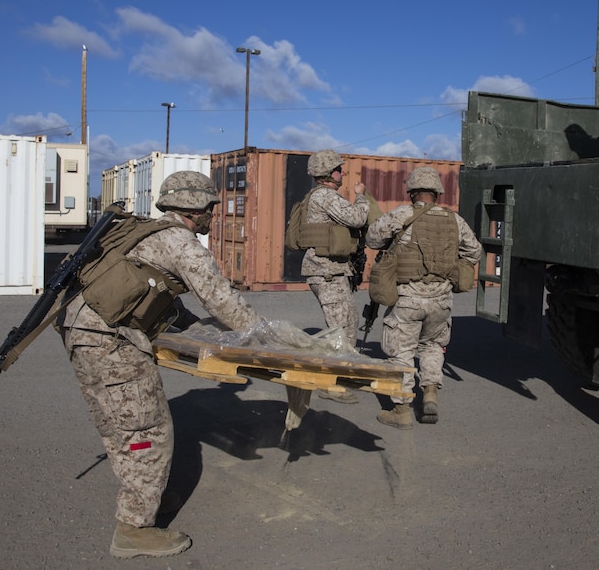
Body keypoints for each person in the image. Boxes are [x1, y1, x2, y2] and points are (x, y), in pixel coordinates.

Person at [57, 171, 263, 559]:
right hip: (111, 341)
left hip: (79, 332)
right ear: (195, 207)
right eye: (210, 208)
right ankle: (135, 528)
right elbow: (221, 301)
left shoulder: (142, 232)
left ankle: (145, 493)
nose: (212, 216)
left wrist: (194, 329)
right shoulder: (181, 242)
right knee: (148, 428)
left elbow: (159, 294)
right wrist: (264, 335)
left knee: (119, 424)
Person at [365, 166, 482, 429]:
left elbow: (372, 239)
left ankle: (402, 409)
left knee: (401, 351)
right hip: (441, 298)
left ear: (412, 192)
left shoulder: (403, 214)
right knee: (431, 346)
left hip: (408, 297)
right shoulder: (455, 220)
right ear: (437, 193)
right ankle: (430, 394)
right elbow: (474, 252)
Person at [299, 149, 372, 404]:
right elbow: (356, 218)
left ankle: (341, 375)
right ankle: (330, 384)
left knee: (348, 322)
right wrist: (361, 197)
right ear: (330, 173)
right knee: (339, 329)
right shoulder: (325, 196)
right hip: (326, 272)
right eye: (339, 169)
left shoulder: (320, 196)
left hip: (332, 271)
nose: (343, 173)